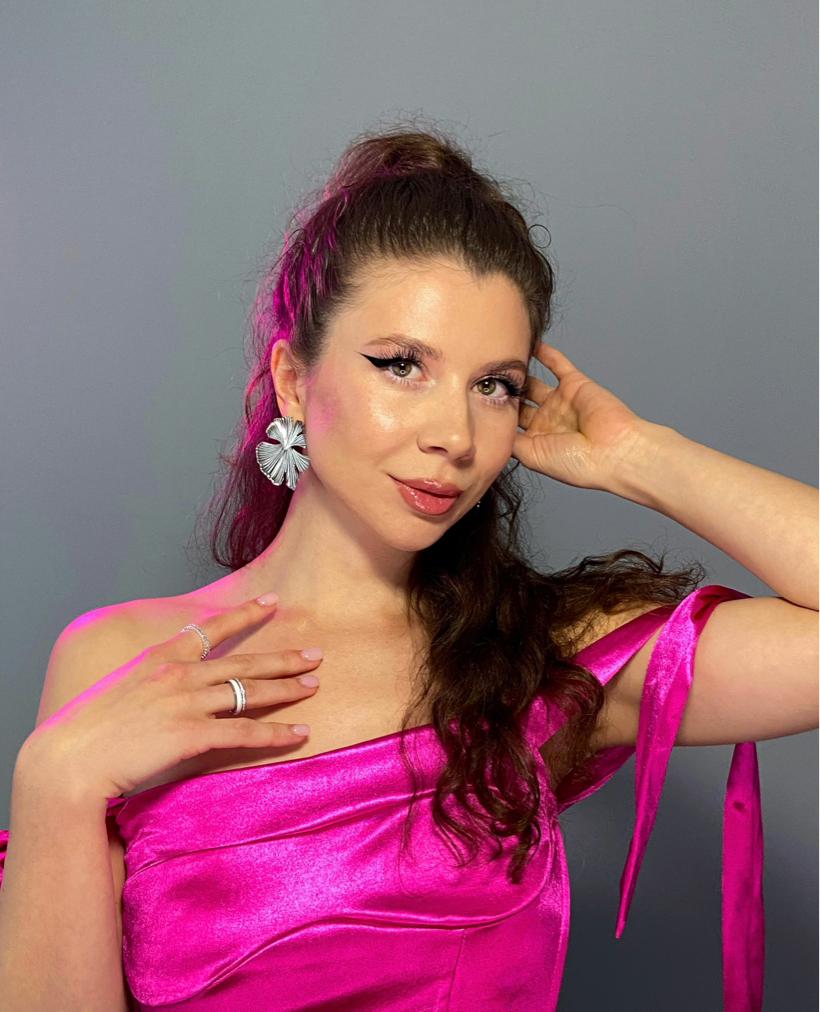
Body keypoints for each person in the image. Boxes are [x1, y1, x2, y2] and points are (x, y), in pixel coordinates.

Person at [0, 121, 816, 1012]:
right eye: (401, 366)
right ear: (293, 381)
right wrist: (53, 783)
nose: (455, 436)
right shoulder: (118, 657)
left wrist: (636, 455)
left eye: (494, 386)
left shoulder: (546, 661)